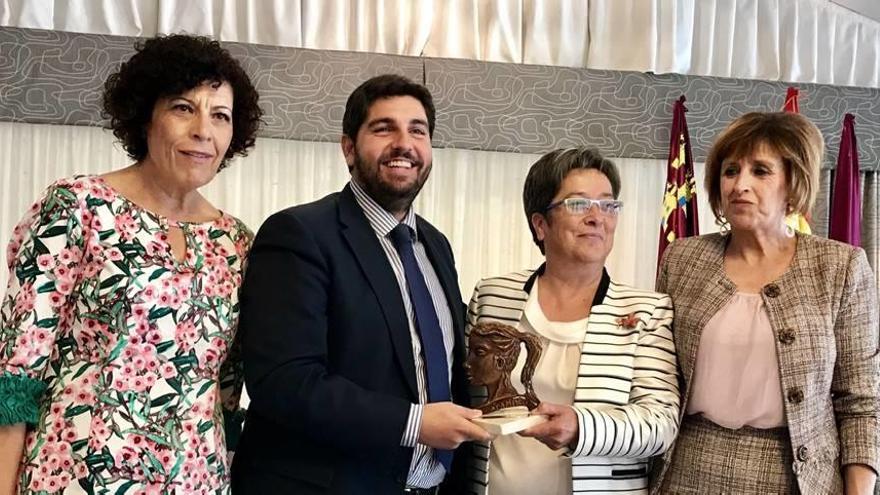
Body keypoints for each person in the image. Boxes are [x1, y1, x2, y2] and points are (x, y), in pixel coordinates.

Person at [0, 34, 261, 494]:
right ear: (145, 118)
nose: (203, 129)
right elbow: (16, 375)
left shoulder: (236, 242)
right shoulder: (78, 206)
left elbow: (226, 390)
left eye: (220, 116)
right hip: (74, 475)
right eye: (183, 108)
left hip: (195, 480)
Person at [230, 74, 490, 495]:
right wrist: (416, 424)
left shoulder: (436, 245)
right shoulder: (298, 234)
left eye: (417, 131)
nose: (404, 143)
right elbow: (285, 380)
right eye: (384, 128)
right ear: (349, 149)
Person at [652, 112, 879, 494]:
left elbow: (862, 401)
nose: (740, 185)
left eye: (760, 171)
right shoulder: (683, 259)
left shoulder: (841, 266)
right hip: (689, 470)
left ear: (793, 184)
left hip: (796, 475)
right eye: (730, 171)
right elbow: (658, 374)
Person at [464, 147, 679, 495]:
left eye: (609, 205)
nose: (598, 217)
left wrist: (582, 428)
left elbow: (662, 423)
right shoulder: (492, 296)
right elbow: (466, 392)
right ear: (540, 223)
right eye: (579, 204)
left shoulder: (646, 311)